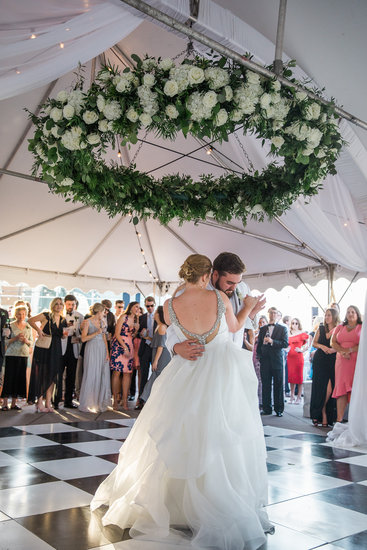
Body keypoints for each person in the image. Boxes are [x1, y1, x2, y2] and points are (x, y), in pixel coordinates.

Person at [91, 254, 273, 549]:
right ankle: (213, 498)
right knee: (218, 433)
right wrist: (250, 309)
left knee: (178, 431)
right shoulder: (217, 298)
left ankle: (172, 502)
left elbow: (169, 334)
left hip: (185, 370)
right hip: (217, 369)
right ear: (208, 276)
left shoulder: (168, 304)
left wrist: (178, 346)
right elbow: (236, 328)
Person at [167, 251, 264, 360]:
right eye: (229, 283)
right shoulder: (187, 292)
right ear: (215, 274)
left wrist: (253, 313)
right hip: (202, 358)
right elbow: (172, 328)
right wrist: (176, 347)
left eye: (238, 282)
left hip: (233, 355)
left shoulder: (243, 288)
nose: (234, 288)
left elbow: (244, 323)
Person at [28, 297, 67, 412]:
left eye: (60, 304)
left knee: (53, 375)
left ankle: (48, 403)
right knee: (42, 374)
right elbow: (30, 320)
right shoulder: (46, 315)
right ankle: (39, 402)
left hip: (56, 348)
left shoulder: (63, 319)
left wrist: (64, 335)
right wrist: (39, 331)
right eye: (57, 304)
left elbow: (62, 335)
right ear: (53, 305)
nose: (59, 306)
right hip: (44, 348)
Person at [331, 305, 362, 423]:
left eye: (353, 312)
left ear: (357, 314)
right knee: (341, 389)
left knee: (355, 389)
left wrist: (350, 350)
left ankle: (355, 421)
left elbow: (363, 344)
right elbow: (333, 342)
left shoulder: (362, 327)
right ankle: (339, 420)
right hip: (341, 361)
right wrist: (342, 351)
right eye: (348, 312)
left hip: (355, 361)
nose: (350, 314)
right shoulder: (340, 327)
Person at [79, 303, 111, 413]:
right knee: (91, 373)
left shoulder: (103, 322)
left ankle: (99, 402)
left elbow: (104, 337)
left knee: (101, 374)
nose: (104, 314)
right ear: (98, 311)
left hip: (101, 348)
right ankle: (88, 403)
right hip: (91, 348)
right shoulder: (87, 322)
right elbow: (83, 339)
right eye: (103, 312)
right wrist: (96, 332)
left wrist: (107, 352)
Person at [257, 306, 288, 417]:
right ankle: (266, 408)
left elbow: (285, 344)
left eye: (275, 313)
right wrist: (259, 356)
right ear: (268, 314)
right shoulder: (263, 329)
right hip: (265, 360)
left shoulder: (283, 329)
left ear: (278, 315)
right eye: (271, 313)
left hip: (277, 360)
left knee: (278, 385)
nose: (273, 315)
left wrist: (272, 341)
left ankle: (279, 409)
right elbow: (259, 344)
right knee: (265, 384)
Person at [310, 308, 339, 427]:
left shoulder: (338, 329)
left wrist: (333, 349)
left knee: (329, 389)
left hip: (332, 360)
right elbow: (314, 343)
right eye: (325, 315)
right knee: (319, 387)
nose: (326, 317)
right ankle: (321, 414)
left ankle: (322, 411)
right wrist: (323, 347)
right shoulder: (321, 328)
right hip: (320, 360)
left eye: (329, 315)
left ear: (334, 317)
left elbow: (342, 344)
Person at [1, 305, 33, 411]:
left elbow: (31, 342)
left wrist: (26, 341)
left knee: (19, 378)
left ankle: (14, 403)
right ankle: (5, 403)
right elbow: (5, 341)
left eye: (23, 314)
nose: (21, 316)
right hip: (11, 354)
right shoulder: (9, 325)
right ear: (15, 314)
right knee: (9, 378)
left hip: (23, 355)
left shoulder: (28, 326)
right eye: (19, 314)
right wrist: (15, 338)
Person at [110, 301, 140, 410]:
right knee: (117, 372)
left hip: (130, 345)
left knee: (128, 373)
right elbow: (117, 334)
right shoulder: (124, 317)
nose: (138, 309)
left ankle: (125, 401)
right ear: (131, 307)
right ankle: (115, 401)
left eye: (139, 307)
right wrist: (124, 347)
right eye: (136, 307)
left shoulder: (137, 320)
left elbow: (133, 336)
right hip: (119, 345)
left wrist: (136, 330)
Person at [55, 294, 83, 409]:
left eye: (72, 304)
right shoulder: (60, 315)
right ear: (65, 304)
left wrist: (79, 336)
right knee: (58, 375)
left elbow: (82, 332)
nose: (70, 306)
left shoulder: (80, 316)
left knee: (71, 376)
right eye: (68, 304)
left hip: (74, 347)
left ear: (75, 304)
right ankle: (55, 400)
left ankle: (68, 401)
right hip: (61, 347)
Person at [140, 306, 170, 404]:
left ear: (159, 315)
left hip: (162, 355)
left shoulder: (162, 327)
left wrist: (155, 361)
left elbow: (161, 346)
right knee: (156, 375)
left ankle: (146, 398)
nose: (154, 313)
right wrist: (147, 337)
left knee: (157, 374)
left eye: (156, 312)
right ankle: (148, 398)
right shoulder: (159, 326)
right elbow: (156, 341)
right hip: (158, 353)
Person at [135, 296, 156, 409]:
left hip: (155, 348)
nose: (150, 308)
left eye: (152, 305)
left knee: (155, 374)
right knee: (143, 375)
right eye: (147, 306)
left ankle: (153, 401)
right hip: (144, 348)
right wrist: (140, 333)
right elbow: (138, 334)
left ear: (155, 305)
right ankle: (141, 401)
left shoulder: (158, 317)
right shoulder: (141, 317)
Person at [287, 318, 309, 404]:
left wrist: (302, 350)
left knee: (299, 377)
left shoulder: (302, 333)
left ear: (299, 324)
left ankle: (299, 397)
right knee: (291, 377)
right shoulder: (289, 333)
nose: (294, 325)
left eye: (296, 323)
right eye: (293, 323)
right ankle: (292, 396)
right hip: (290, 358)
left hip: (298, 358)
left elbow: (308, 343)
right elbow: (286, 344)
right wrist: (286, 349)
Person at [252, 315, 267, 408]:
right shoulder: (255, 333)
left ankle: (262, 400)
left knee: (261, 379)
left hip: (262, 358)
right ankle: (256, 399)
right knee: (256, 378)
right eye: (260, 322)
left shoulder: (268, 333)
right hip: (254, 356)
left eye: (263, 322)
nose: (261, 324)